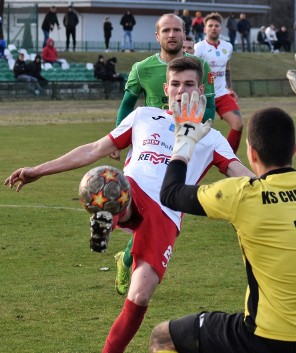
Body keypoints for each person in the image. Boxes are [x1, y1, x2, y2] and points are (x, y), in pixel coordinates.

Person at [4, 55, 254, 353]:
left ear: (201, 91)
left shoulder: (212, 138)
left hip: (166, 214)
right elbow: (95, 149)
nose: (181, 91)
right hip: (131, 189)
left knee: (139, 296)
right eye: (175, 84)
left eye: (189, 84)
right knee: (107, 180)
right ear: (166, 88)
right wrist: (38, 170)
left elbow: (242, 175)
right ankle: (112, 214)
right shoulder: (144, 116)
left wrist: (285, 187)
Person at [150, 48, 296, 353]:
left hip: (267, 337)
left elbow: (170, 194)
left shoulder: (242, 195)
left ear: (252, 154)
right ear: (295, 148)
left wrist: (184, 141)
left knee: (162, 337)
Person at [111, 15, 217, 295]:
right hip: (151, 145)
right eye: (166, 30)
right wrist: (118, 138)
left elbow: (210, 108)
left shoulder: (201, 66)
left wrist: (198, 133)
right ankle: (129, 261)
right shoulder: (142, 68)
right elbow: (127, 106)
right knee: (151, 210)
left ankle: (126, 257)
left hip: (184, 146)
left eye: (177, 30)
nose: (172, 35)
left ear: (184, 34)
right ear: (157, 36)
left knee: (162, 211)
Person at [194, 12, 244, 153]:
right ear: (205, 29)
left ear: (221, 29)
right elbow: (193, 72)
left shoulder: (227, 47)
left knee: (238, 124)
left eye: (216, 25)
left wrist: (229, 88)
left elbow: (227, 68)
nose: (213, 28)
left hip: (222, 93)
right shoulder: (199, 48)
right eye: (210, 25)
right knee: (198, 132)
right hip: (204, 96)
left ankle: (228, 157)